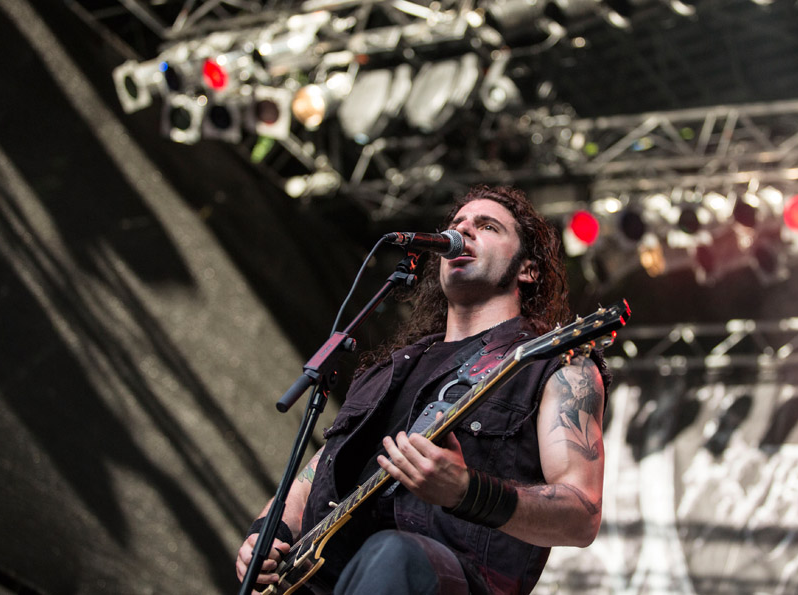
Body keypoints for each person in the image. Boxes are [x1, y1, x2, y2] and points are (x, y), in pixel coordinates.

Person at [236, 185, 611, 594]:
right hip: (325, 580)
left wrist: (467, 491)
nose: (463, 232)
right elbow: (316, 469)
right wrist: (268, 531)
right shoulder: (391, 367)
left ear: (528, 270)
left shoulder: (556, 367)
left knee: (396, 555)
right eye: (457, 224)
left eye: (487, 227)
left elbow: (582, 515)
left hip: (447, 579)